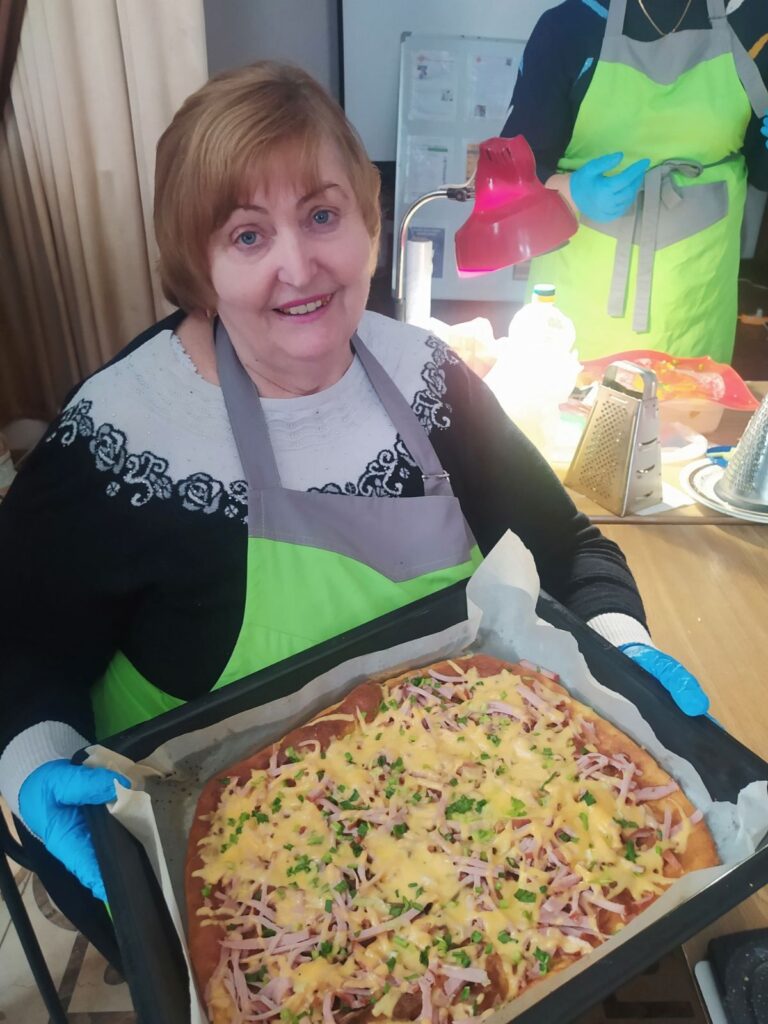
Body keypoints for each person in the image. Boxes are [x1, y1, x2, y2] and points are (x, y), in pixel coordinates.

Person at [0, 61, 709, 967]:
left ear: (369, 223)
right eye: (247, 235)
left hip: (482, 840)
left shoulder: (429, 376)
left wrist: (622, 642)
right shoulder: (123, 436)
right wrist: (33, 766)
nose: (299, 266)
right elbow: (19, 645)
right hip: (242, 881)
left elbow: (566, 546)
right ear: (197, 265)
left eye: (322, 216)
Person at [502, 0, 768, 362]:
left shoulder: (752, 23)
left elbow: (761, 173)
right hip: (571, 329)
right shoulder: (569, 27)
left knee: (693, 397)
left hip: (695, 320)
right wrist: (572, 192)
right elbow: (510, 174)